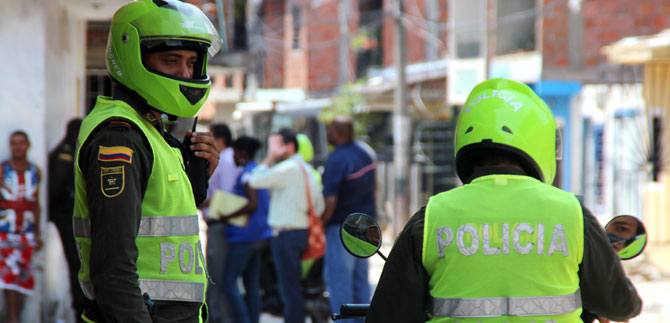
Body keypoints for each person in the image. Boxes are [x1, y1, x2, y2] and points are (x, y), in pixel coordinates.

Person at [366, 78, 642, 323]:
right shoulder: (571, 213)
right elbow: (620, 305)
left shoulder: (431, 217)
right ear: (540, 139)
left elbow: (387, 315)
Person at [72, 1, 222, 322]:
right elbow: (113, 268)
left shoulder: (154, 131)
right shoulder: (120, 137)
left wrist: (196, 169)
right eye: (171, 60)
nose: (184, 73)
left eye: (192, 62)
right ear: (134, 57)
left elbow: (163, 219)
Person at [248, 128, 325, 323]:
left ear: (289, 146)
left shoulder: (288, 168)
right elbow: (319, 205)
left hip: (285, 235)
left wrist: (268, 158)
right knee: (292, 286)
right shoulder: (306, 169)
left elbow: (253, 180)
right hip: (299, 233)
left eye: (276, 145)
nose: (272, 149)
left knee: (288, 288)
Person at [321, 116, 377, 321]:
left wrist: (320, 223)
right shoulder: (366, 152)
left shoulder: (338, 158)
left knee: (339, 284)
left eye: (329, 130)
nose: (327, 134)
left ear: (337, 133)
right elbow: (375, 188)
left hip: (341, 229)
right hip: (366, 226)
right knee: (360, 283)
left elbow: (330, 200)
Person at [220, 136, 272, 323]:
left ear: (242, 154)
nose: (233, 156)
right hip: (259, 236)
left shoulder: (247, 175)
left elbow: (252, 204)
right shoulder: (259, 171)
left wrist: (226, 215)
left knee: (228, 282)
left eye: (234, 152)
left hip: (245, 237)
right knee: (252, 284)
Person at [0, 130, 43, 323]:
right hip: (6, 232)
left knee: (23, 277)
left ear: (28, 145)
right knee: (9, 276)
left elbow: (36, 204)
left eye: (21, 143)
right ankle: (12, 318)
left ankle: (16, 317)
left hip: (26, 233)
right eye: (13, 143)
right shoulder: (2, 170)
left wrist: (37, 233)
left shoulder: (35, 171)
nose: (17, 147)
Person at [48, 118, 85, 321]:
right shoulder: (66, 152)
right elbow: (56, 188)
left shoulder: (75, 150)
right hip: (67, 217)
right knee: (77, 264)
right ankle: (79, 309)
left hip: (73, 217)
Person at [202, 123, 239, 323]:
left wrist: (198, 199)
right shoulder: (225, 158)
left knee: (217, 278)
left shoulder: (226, 160)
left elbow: (225, 196)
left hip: (221, 224)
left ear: (220, 140)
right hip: (219, 224)